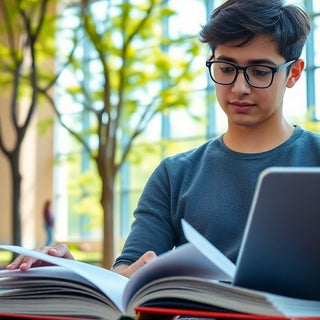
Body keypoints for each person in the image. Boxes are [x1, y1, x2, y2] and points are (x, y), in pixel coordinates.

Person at [6, 0, 320, 278]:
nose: (239, 87)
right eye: (226, 68)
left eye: (260, 71)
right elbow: (128, 276)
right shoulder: (175, 175)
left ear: (293, 73)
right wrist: (73, 273)